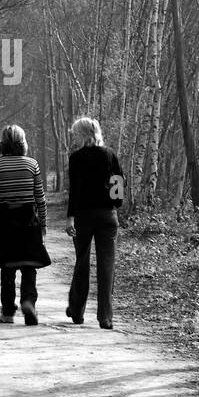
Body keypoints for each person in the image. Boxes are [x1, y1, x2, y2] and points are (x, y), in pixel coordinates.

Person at [0, 124, 50, 325]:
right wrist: (43, 223)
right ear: (23, 143)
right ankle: (28, 302)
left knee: (7, 266)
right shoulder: (32, 165)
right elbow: (39, 197)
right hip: (28, 220)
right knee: (29, 265)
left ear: (2, 144)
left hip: (6, 221)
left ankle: (7, 312)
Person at [65, 117, 124, 330]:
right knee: (106, 265)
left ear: (82, 135)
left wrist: (70, 217)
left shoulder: (76, 158)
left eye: (75, 134)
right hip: (108, 216)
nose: (74, 138)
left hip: (84, 216)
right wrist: (115, 203)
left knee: (82, 261)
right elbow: (118, 181)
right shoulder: (110, 155)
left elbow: (75, 190)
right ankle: (105, 317)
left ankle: (77, 311)